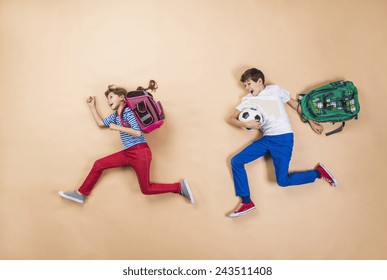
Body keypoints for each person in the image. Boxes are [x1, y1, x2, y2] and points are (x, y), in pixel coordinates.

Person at [59, 83, 194, 204]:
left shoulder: (128, 112)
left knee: (146, 189)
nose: (108, 101)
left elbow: (137, 132)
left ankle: (179, 187)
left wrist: (117, 127)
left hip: (140, 152)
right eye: (107, 99)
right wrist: (92, 107)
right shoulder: (115, 117)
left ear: (122, 97)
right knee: (99, 164)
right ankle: (81, 194)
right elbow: (101, 123)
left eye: (111, 97)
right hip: (129, 153)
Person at [227, 68, 336, 218]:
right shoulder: (248, 100)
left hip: (283, 139)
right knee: (236, 161)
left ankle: (318, 173)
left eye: (249, 84)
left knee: (282, 181)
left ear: (259, 81)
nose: (247, 88)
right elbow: (230, 119)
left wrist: (312, 122)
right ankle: (246, 202)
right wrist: (249, 125)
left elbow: (295, 105)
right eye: (245, 85)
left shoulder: (275, 90)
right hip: (267, 139)